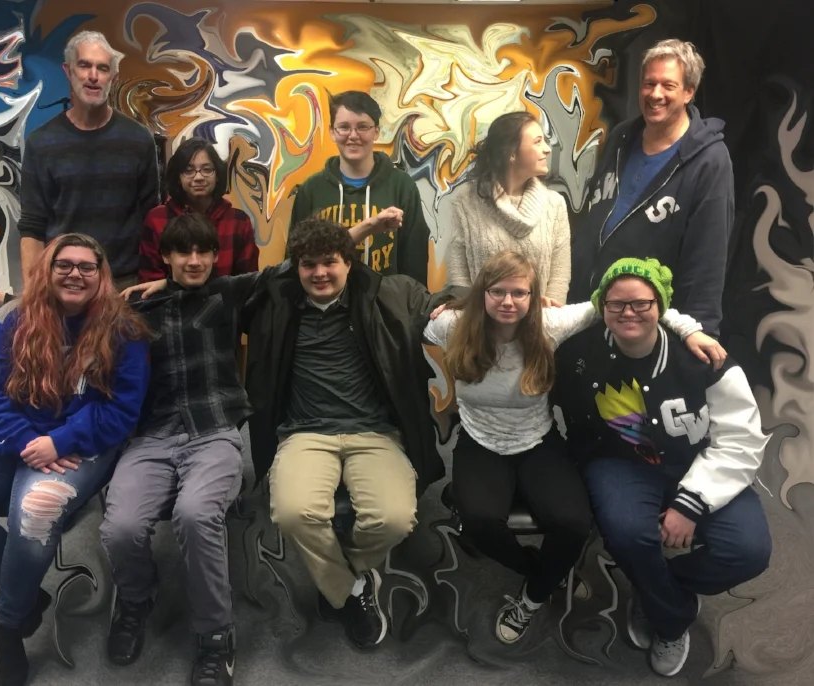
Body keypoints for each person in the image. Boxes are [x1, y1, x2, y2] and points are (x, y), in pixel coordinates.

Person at [424, 251, 721, 645]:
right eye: (497, 291)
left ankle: (531, 597)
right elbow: (411, 309)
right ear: (483, 293)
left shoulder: (550, 324)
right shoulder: (452, 326)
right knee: (479, 522)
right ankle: (545, 576)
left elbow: (626, 304)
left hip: (537, 440)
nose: (508, 301)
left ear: (534, 296)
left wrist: (690, 331)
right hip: (479, 441)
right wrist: (442, 300)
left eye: (519, 293)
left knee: (573, 524)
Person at [0, 234, 150, 686]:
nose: (75, 274)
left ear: (101, 275)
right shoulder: (12, 318)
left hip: (81, 440)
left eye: (87, 266)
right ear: (46, 271)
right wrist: (28, 442)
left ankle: (9, 624)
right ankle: (28, 595)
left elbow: (121, 410)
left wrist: (61, 440)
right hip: (13, 434)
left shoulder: (123, 329)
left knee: (35, 509)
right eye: (63, 265)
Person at [244, 217, 461, 649]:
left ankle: (337, 580)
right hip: (305, 434)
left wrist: (461, 300)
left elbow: (443, 299)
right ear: (296, 268)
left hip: (374, 432)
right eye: (309, 265)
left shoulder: (388, 294)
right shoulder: (279, 302)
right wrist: (163, 285)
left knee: (394, 518)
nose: (320, 273)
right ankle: (352, 589)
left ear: (349, 262)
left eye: (330, 262)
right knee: (292, 512)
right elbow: (223, 288)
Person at [555, 257, 772, 677]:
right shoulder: (579, 352)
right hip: (619, 462)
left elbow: (741, 439)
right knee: (628, 533)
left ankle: (655, 588)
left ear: (661, 306)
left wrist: (691, 503)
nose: (628, 313)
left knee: (748, 551)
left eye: (642, 303)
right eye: (616, 304)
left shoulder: (705, 359)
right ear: (601, 307)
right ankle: (671, 617)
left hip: (701, 462)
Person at [102, 213, 269, 685]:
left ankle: (216, 635)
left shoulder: (227, 293)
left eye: (203, 252)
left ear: (215, 257)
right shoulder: (136, 306)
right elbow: (66, 306)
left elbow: (297, 266)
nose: (194, 261)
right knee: (121, 527)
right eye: (183, 252)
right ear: (166, 257)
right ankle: (136, 600)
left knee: (196, 515)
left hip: (212, 430)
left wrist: (363, 231)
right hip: (153, 434)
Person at [569, 39, 734, 335]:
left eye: (668, 86)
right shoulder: (622, 138)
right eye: (649, 84)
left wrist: (698, 329)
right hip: (589, 313)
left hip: (648, 326)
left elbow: (708, 257)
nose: (655, 94)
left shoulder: (709, 160)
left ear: (688, 92)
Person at [17, 30, 159, 289]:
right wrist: (33, 293)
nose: (94, 76)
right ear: (68, 71)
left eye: (102, 68)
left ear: (113, 77)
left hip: (123, 285)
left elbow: (152, 220)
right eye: (84, 65)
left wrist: (152, 283)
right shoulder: (41, 143)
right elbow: (33, 227)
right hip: (64, 284)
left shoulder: (139, 140)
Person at [288, 90, 431, 284]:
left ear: (376, 132)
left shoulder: (402, 186)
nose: (353, 135)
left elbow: (415, 260)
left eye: (363, 127)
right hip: (325, 301)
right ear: (332, 132)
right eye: (344, 127)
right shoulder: (311, 190)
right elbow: (295, 259)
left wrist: (411, 301)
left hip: (386, 300)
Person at [447, 112, 571, 304]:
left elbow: (559, 276)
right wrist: (469, 315)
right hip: (479, 319)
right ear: (511, 153)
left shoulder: (554, 205)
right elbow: (459, 276)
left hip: (538, 319)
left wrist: (549, 316)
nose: (547, 149)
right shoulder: (466, 202)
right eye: (537, 142)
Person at [138, 137, 258, 282]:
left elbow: (249, 282)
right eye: (188, 171)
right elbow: (150, 281)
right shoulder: (157, 219)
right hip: (170, 297)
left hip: (228, 296)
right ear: (178, 177)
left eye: (207, 170)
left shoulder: (238, 221)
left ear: (217, 175)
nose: (199, 177)